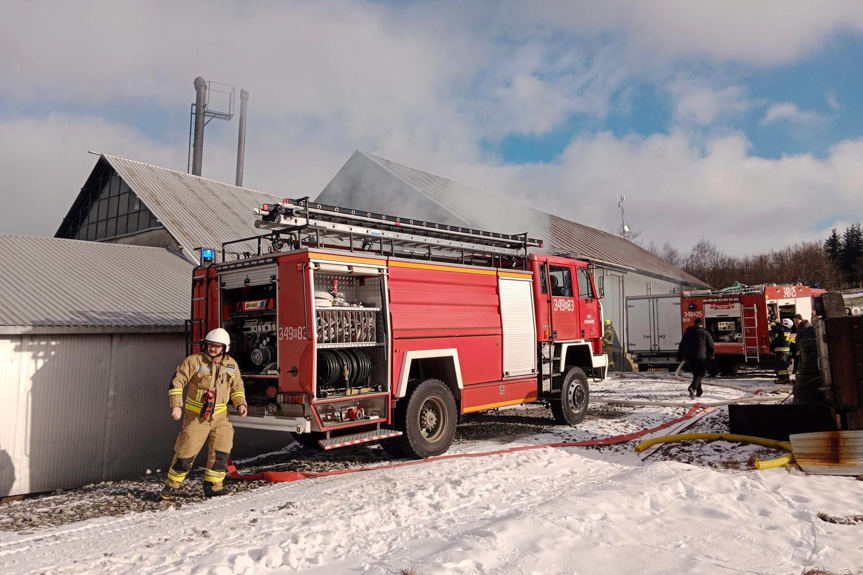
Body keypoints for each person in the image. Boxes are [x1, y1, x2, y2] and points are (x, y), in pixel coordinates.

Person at [160, 328, 248, 500]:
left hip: (221, 417)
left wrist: (241, 404)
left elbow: (237, 387)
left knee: (221, 452)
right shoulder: (194, 361)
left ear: (225, 348)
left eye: (216, 346)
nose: (212, 348)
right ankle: (171, 485)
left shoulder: (231, 365)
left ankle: (213, 487)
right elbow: (177, 382)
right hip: (196, 417)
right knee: (186, 452)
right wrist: (176, 406)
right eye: (210, 345)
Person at [677, 318, 715, 399]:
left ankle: (699, 391)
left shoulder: (687, 332)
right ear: (702, 324)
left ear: (694, 324)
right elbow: (711, 345)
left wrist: (679, 357)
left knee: (696, 373)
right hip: (701, 356)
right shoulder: (705, 332)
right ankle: (692, 387)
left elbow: (682, 345)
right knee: (700, 373)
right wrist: (711, 354)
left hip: (690, 356)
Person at [770, 318, 793, 384]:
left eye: (783, 323)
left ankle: (783, 379)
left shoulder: (782, 330)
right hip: (782, 350)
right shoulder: (786, 329)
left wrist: (771, 321)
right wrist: (776, 320)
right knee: (782, 364)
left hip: (781, 350)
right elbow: (779, 326)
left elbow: (774, 327)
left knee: (781, 365)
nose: (781, 324)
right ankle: (784, 378)